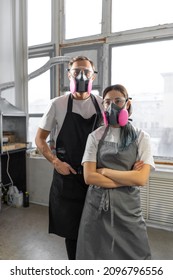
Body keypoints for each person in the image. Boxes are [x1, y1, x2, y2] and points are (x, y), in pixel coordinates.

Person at [76, 84, 155, 260]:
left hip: (128, 208)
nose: (112, 106)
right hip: (96, 207)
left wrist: (103, 171)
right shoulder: (95, 136)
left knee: (136, 254)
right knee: (93, 254)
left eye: (118, 100)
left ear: (127, 104)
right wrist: (128, 177)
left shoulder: (141, 137)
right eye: (107, 102)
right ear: (103, 106)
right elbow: (89, 177)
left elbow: (141, 179)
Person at [35, 56, 103, 259]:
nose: (81, 75)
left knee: (96, 230)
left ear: (93, 76)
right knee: (72, 233)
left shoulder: (102, 103)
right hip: (68, 178)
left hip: (96, 179)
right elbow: (39, 139)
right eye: (76, 71)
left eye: (86, 72)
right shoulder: (58, 104)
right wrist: (56, 162)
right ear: (69, 75)